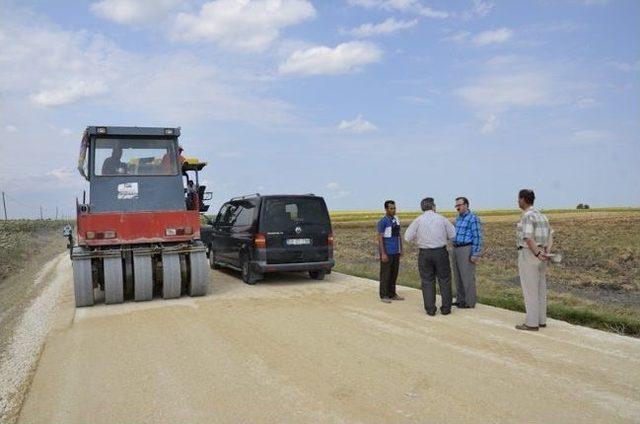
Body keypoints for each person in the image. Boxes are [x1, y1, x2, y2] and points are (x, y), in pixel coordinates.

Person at [404, 197, 456, 316]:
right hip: (440, 252)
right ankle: (446, 309)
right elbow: (453, 234)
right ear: (433, 206)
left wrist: (419, 238)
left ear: (422, 208)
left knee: (427, 281)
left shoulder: (418, 220)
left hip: (424, 253)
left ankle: (430, 309)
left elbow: (407, 237)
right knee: (445, 280)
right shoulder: (442, 219)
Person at [515, 189, 554, 331]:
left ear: (523, 199)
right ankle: (541, 320)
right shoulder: (542, 216)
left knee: (530, 290)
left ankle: (531, 323)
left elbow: (527, 237)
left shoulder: (527, 216)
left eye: (519, 199)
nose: (518, 201)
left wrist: (537, 253)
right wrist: (546, 251)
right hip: (542, 254)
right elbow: (550, 235)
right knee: (540, 289)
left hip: (529, 254)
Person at [452, 197, 483, 309]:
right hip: (456, 249)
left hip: (466, 249)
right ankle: (460, 300)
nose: (457, 207)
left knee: (467, 276)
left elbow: (478, 237)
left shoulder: (473, 218)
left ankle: (469, 302)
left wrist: (475, 254)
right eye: (456, 206)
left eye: (459, 205)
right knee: (458, 276)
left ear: (466, 205)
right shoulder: (458, 218)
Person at [376, 200, 404, 303]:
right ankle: (383, 295)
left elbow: (399, 235)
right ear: (386, 209)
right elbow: (380, 238)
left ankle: (392, 294)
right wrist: (383, 253)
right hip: (387, 252)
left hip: (396, 252)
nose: (393, 210)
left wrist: (401, 249)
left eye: (394, 208)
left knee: (394, 274)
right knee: (385, 274)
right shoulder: (383, 221)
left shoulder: (396, 220)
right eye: (391, 208)